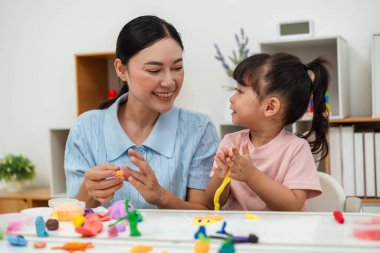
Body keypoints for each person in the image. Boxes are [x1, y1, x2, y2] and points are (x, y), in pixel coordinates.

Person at [64, 15, 219, 209]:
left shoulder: (199, 129)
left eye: (177, 67)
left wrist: (162, 197)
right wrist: (89, 191)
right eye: (154, 70)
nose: (170, 82)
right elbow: (72, 217)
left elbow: (205, 214)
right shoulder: (85, 129)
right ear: (121, 70)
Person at [205, 52, 330, 211]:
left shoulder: (297, 149)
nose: (232, 98)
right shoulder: (230, 142)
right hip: (239, 233)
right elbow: (211, 201)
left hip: (282, 234)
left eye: (240, 91)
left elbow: (293, 205)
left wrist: (251, 176)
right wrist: (220, 176)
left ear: (270, 107)